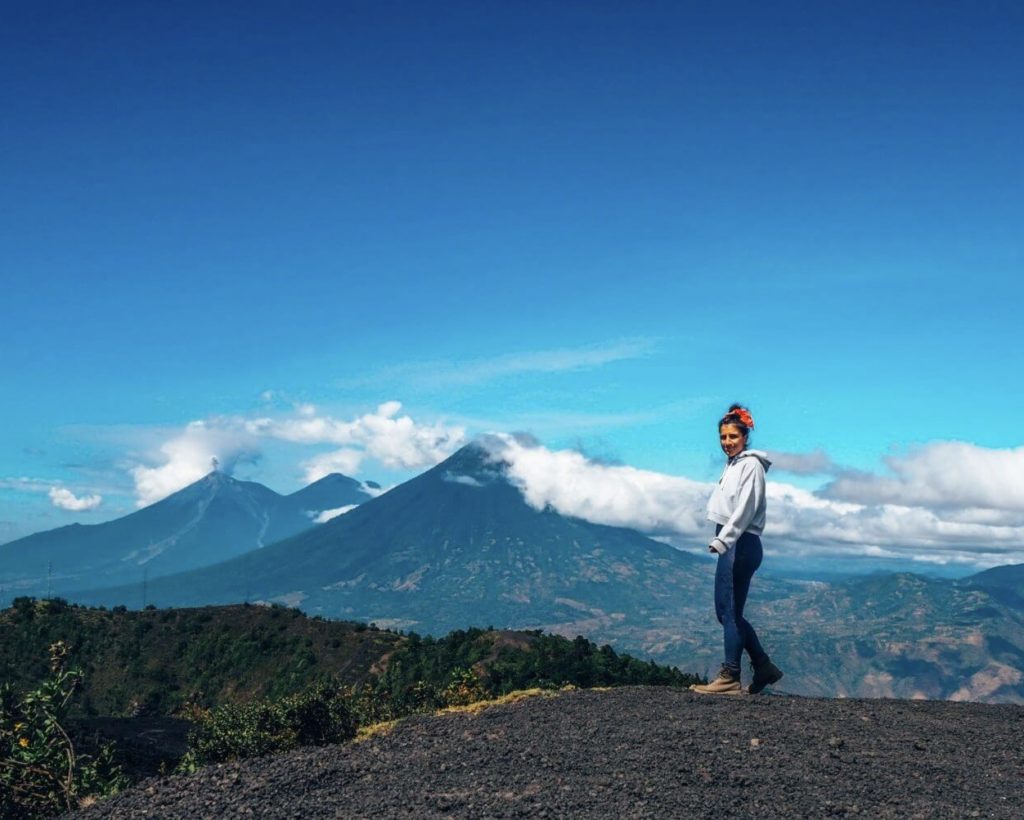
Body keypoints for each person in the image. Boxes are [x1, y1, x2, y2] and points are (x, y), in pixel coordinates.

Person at [691, 404, 783, 695]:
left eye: (733, 436)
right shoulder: (735, 464)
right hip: (735, 543)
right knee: (727, 611)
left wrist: (723, 540)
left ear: (745, 436)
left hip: (739, 543)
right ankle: (763, 665)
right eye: (723, 437)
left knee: (728, 611)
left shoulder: (751, 466)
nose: (727, 442)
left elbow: (745, 509)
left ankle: (730, 676)